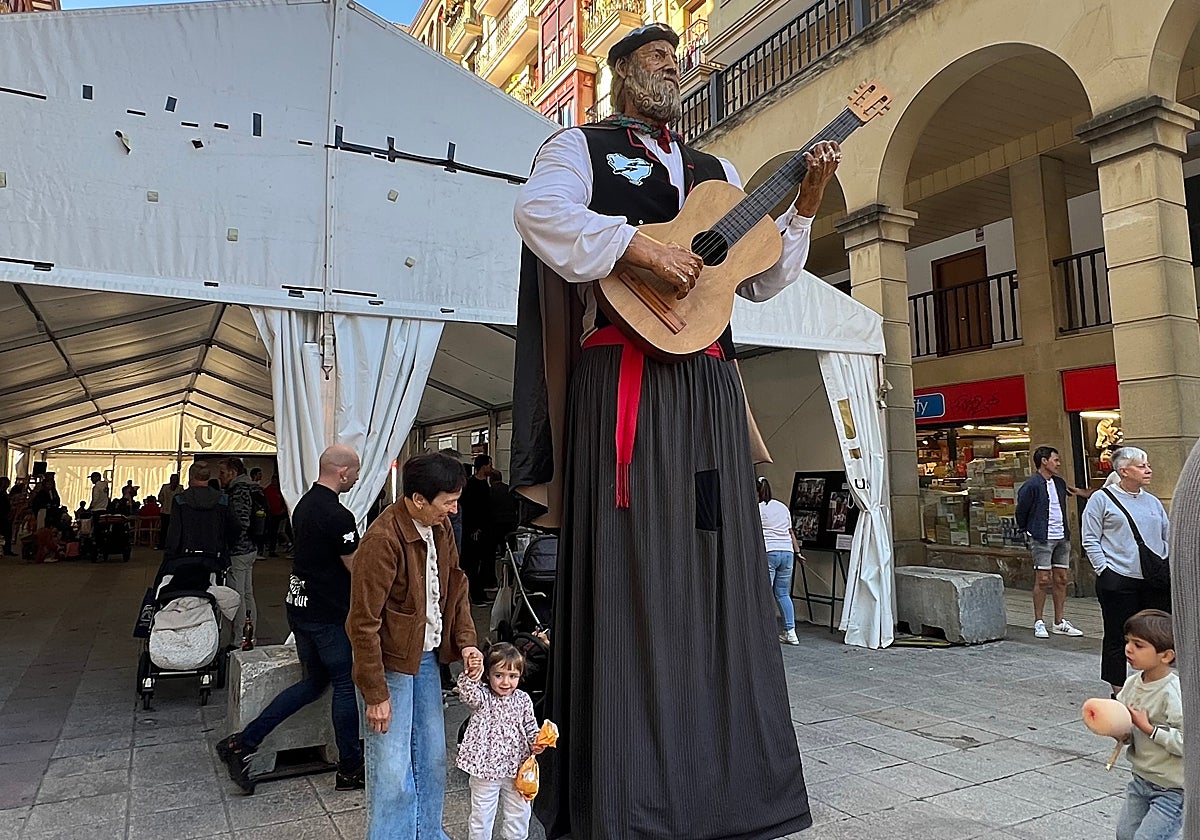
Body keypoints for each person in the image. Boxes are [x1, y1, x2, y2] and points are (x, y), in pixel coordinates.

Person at [511, 22, 827, 839]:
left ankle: (723, 777)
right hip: (624, 376)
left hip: (710, 386)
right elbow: (538, 214)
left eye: (675, 61)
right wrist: (639, 251)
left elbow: (758, 280)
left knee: (718, 553)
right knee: (631, 560)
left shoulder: (717, 172)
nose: (671, 68)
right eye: (655, 58)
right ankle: (630, 787)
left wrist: (804, 211)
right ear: (621, 72)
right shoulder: (579, 147)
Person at [346, 452, 482, 840]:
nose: (454, 510)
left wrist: (467, 643)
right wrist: (375, 693)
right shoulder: (382, 540)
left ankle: (428, 833)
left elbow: (456, 587)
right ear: (418, 499)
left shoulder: (440, 527)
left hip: (426, 659)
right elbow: (362, 623)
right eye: (448, 502)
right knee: (391, 767)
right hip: (389, 664)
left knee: (432, 757)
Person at [217, 445, 365, 795]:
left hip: (300, 608)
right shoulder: (339, 516)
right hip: (329, 614)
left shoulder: (304, 505)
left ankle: (243, 742)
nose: (358, 479)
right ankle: (350, 767)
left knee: (314, 682)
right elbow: (356, 567)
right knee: (345, 684)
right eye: (356, 472)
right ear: (343, 472)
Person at [1082, 446, 1171, 697]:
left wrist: (1165, 559)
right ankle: (1119, 692)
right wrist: (1104, 570)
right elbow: (1090, 538)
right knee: (1117, 636)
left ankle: (1151, 686)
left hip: (1153, 579)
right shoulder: (1101, 499)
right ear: (1124, 471)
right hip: (1118, 578)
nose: (1148, 470)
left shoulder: (1152, 501)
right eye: (1142, 466)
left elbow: (1167, 534)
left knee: (1156, 633)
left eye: (1148, 465)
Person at [456, 642, 545, 840]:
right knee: (482, 814)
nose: (506, 682)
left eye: (512, 676)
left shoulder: (523, 699)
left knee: (519, 812)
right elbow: (467, 693)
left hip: (516, 767)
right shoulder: (483, 696)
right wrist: (472, 673)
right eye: (499, 675)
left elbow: (530, 726)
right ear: (488, 675)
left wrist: (537, 741)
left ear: (520, 676)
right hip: (485, 769)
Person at [1113, 609, 1182, 840]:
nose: (1128, 649)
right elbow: (1125, 727)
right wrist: (1120, 732)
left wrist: (1150, 729)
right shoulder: (1132, 684)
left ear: (1166, 655)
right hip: (1141, 779)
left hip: (1173, 789)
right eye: (1128, 641)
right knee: (1125, 835)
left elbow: (1188, 743)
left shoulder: (1173, 692)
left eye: (1138, 645)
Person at [1015, 445, 1087, 639]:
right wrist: (1027, 529)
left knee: (1062, 578)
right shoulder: (1031, 485)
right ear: (1044, 461)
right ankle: (1039, 621)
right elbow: (1021, 510)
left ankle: (1059, 621)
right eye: (1055, 460)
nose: (1058, 464)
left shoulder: (1059, 483)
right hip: (1042, 537)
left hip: (1062, 536)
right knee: (1043, 579)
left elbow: (1072, 493)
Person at [219, 457, 260, 643]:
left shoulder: (239, 491)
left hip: (239, 550)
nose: (220, 477)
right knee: (247, 594)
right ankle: (249, 636)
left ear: (233, 472)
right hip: (251, 547)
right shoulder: (253, 488)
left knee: (238, 596)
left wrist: (229, 543)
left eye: (222, 472)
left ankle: (240, 640)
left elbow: (240, 522)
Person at [758, 477, 801, 645]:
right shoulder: (782, 507)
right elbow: (790, 532)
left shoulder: (757, 508)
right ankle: (791, 632)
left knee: (765, 593)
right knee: (783, 593)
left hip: (770, 551)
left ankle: (763, 632)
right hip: (787, 552)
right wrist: (798, 552)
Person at [460, 454, 495, 605]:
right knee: (473, 564)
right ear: (483, 466)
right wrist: (474, 528)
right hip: (475, 532)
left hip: (485, 530)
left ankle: (480, 592)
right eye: (489, 465)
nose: (491, 468)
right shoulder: (472, 485)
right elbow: (469, 509)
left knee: (484, 561)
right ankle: (476, 594)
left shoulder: (484, 484)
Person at [264, 473, 290, 556]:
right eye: (273, 480)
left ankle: (287, 544)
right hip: (272, 514)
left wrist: (283, 510)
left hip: (281, 514)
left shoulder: (281, 489)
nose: (274, 481)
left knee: (281, 531)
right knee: (273, 532)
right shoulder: (268, 489)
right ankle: (272, 549)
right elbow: (266, 501)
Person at [158, 473, 183, 550]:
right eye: (173, 479)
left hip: (175, 513)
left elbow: (182, 499)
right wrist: (164, 503)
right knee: (164, 529)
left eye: (176, 479)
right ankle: (162, 545)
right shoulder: (165, 487)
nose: (174, 480)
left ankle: (172, 545)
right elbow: (160, 497)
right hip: (165, 511)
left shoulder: (180, 488)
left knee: (174, 530)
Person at [0, 477, 12, 556]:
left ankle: (7, 550)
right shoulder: (1, 493)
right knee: (4, 533)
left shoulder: (4, 493)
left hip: (5, 515)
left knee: (7, 533)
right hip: (2, 515)